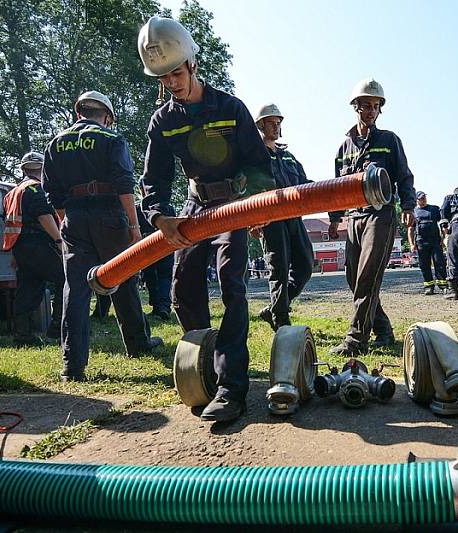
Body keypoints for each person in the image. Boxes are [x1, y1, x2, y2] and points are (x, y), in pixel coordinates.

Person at [138, 16, 274, 422]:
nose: (172, 83)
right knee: (182, 292)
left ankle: (232, 387)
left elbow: (259, 164)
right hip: (195, 209)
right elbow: (154, 178)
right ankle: (207, 364)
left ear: (193, 65)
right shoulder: (163, 121)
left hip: (234, 205)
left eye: (177, 72)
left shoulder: (230, 108)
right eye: (163, 77)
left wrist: (259, 207)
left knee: (232, 284)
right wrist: (160, 216)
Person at [41, 91, 163, 382]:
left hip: (73, 218)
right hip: (109, 215)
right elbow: (124, 184)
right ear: (107, 117)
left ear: (78, 112)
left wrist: (67, 223)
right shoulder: (111, 139)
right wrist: (134, 227)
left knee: (75, 288)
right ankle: (138, 343)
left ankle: (73, 365)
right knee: (122, 279)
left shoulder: (55, 144)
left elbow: (51, 192)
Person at [327, 78, 415, 355]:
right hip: (354, 218)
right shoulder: (344, 148)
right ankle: (383, 329)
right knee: (353, 278)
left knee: (367, 277)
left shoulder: (389, 141)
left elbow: (404, 176)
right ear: (355, 107)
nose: (371, 111)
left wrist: (409, 207)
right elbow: (336, 186)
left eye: (376, 106)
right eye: (366, 105)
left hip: (381, 216)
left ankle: (356, 340)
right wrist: (334, 218)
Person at [251, 104, 314, 331]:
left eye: (279, 123)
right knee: (279, 268)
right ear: (260, 125)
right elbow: (247, 189)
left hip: (294, 218)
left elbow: (305, 185)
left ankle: (275, 308)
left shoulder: (288, 157)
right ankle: (282, 323)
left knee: (305, 265)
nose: (276, 127)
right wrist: (253, 221)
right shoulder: (254, 156)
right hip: (270, 220)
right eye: (271, 123)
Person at [2, 151, 64, 345]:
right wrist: (59, 240)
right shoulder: (36, 188)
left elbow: (12, 224)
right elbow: (44, 216)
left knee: (27, 288)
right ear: (42, 168)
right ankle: (58, 327)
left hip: (21, 248)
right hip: (40, 244)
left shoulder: (12, 193)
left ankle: (23, 335)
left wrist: (14, 253)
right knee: (66, 278)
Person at [408, 191, 446, 295]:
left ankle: (443, 286)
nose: (423, 199)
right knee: (424, 265)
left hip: (435, 241)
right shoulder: (414, 212)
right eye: (421, 198)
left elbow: (442, 224)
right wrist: (412, 244)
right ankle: (429, 286)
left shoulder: (434, 209)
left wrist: (443, 238)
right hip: (421, 242)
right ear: (417, 200)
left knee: (440, 263)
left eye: (424, 197)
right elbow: (410, 229)